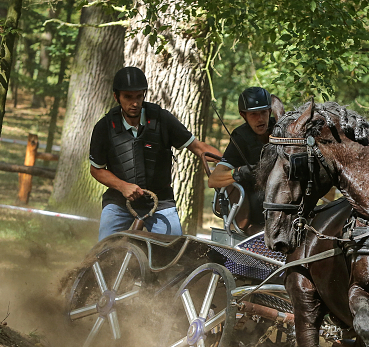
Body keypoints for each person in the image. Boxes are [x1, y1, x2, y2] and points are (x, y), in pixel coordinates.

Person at [89, 66, 221, 241]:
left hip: (160, 201)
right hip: (118, 202)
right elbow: (96, 169)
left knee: (173, 252)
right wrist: (123, 186)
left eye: (139, 96)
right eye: (128, 97)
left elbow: (198, 147)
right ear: (116, 97)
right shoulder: (104, 127)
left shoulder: (162, 119)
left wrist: (228, 163)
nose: (134, 103)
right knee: (104, 250)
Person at [207, 86, 276, 232]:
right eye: (253, 114)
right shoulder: (240, 138)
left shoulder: (281, 130)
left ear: (270, 111)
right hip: (256, 207)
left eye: (263, 112)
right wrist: (239, 172)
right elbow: (213, 179)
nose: (260, 119)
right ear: (243, 115)